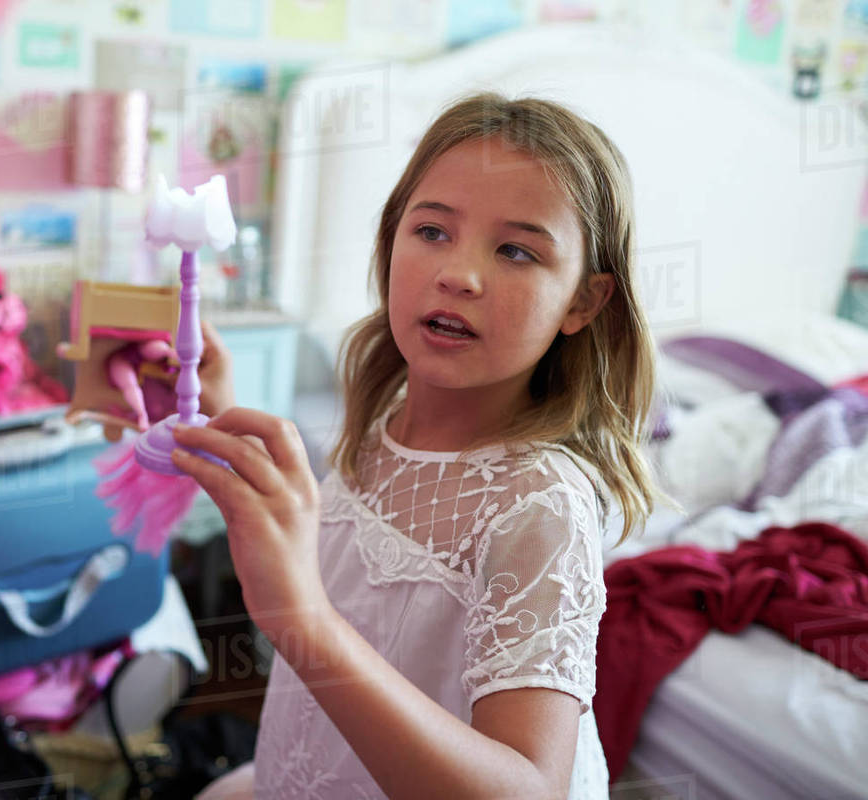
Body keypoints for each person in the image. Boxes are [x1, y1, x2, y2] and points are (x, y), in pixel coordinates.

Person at [172, 92, 665, 799]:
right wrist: (215, 413)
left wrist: (302, 621)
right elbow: (353, 560)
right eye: (433, 231)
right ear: (391, 239)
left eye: (517, 250)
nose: (458, 274)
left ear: (583, 304)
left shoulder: (539, 506)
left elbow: (527, 788)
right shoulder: (389, 421)